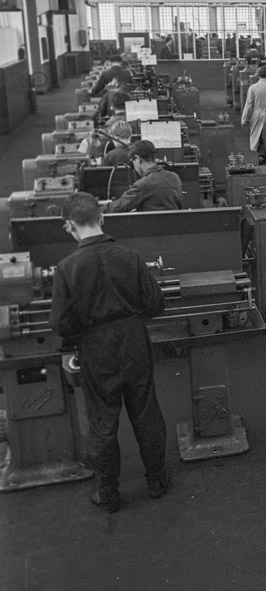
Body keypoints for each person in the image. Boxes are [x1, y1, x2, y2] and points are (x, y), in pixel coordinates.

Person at [48, 192, 169, 513]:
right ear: (102, 218)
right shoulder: (129, 257)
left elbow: (61, 323)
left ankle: (109, 494)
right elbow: (156, 304)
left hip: (96, 348)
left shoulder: (66, 269)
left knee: (102, 421)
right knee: (146, 411)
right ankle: (157, 481)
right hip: (133, 341)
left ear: (68, 227)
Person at [106, 139, 183, 212]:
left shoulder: (143, 185)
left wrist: (98, 209)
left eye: (133, 162)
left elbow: (117, 207)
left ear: (138, 158)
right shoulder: (175, 177)